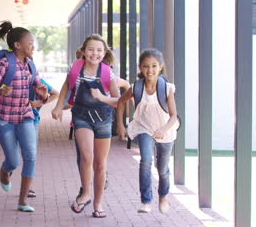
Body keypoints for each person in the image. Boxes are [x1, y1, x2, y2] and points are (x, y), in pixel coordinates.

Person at [52, 34, 119, 218]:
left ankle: (98, 204)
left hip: (103, 119)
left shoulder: (107, 72)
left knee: (100, 164)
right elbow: (66, 86)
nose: (94, 53)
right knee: (87, 156)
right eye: (90, 49)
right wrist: (58, 107)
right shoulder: (75, 68)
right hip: (81, 117)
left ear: (104, 53)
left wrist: (102, 97)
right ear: (83, 51)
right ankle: (86, 193)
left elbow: (117, 100)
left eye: (99, 50)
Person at [0, 21, 49, 212]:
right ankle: (5, 171)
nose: (33, 47)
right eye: (30, 43)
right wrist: (0, 91)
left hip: (25, 116)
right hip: (4, 118)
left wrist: (42, 93)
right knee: (13, 161)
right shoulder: (5, 63)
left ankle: (22, 201)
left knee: (30, 157)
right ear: (17, 45)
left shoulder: (31, 66)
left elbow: (38, 88)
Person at [116, 49, 179, 214]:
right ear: (140, 68)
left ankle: (163, 196)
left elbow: (173, 116)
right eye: (145, 66)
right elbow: (120, 102)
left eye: (153, 66)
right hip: (144, 128)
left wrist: (163, 129)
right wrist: (121, 125)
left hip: (165, 131)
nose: (149, 70)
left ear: (160, 67)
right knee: (145, 160)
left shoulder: (167, 88)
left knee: (162, 169)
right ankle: (146, 201)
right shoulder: (136, 87)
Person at [27, 78, 59, 198]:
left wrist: (39, 103)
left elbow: (56, 93)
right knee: (14, 155)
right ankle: (9, 166)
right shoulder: (12, 76)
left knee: (31, 153)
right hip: (13, 119)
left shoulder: (38, 81)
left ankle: (28, 186)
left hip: (32, 120)